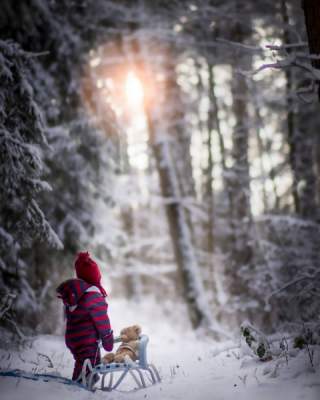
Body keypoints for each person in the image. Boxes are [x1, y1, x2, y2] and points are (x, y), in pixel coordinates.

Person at [56, 251, 114, 381]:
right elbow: (101, 319)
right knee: (87, 364)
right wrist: (107, 337)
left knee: (83, 362)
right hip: (86, 339)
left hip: (74, 337)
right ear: (95, 276)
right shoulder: (93, 295)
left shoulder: (75, 293)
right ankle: (81, 387)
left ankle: (81, 381)